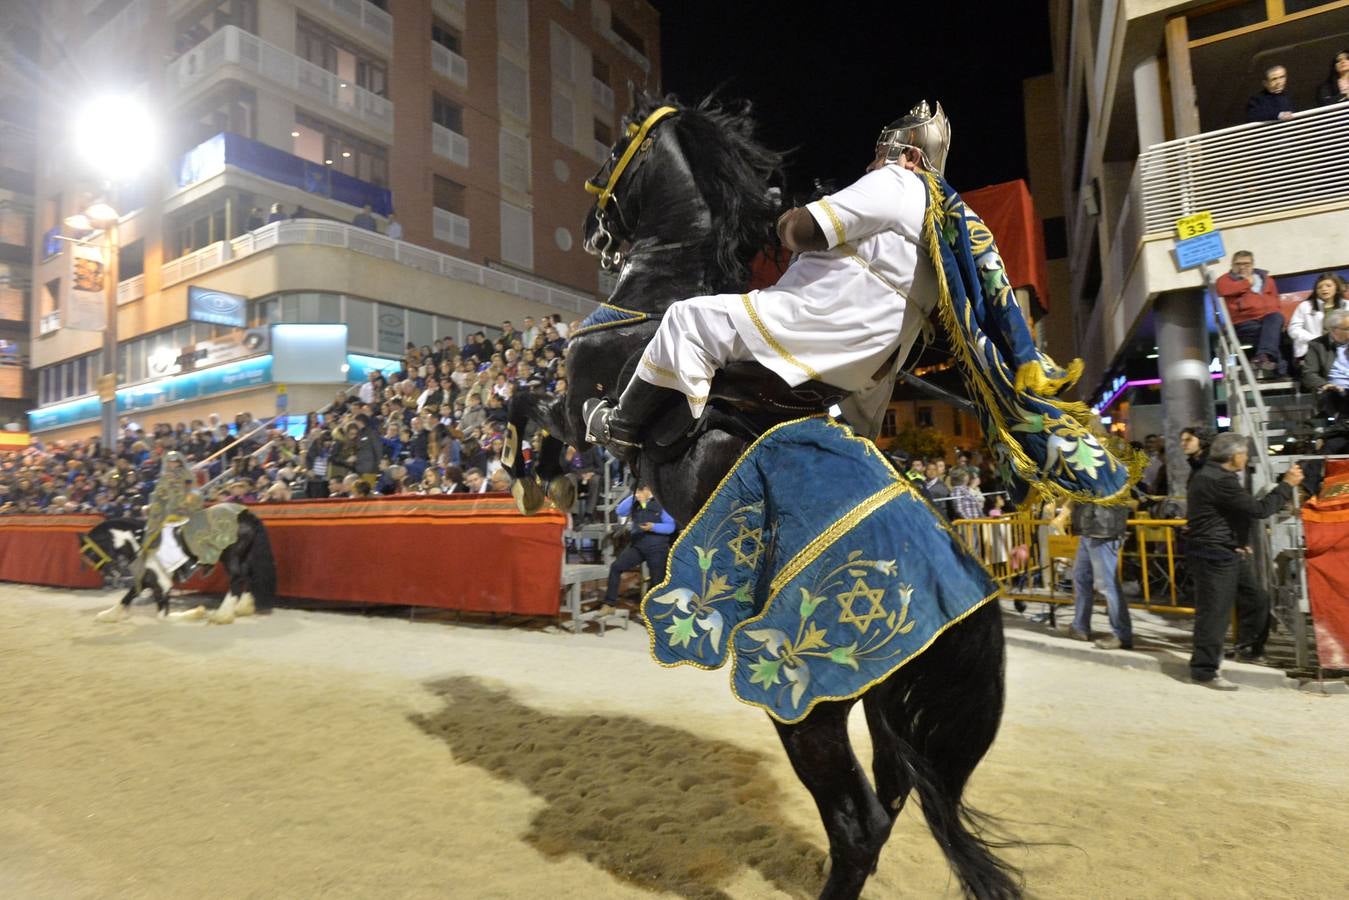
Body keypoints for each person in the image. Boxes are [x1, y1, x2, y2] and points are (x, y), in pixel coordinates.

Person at [584, 101, 951, 455]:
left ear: (912, 157)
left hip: (821, 329)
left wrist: (787, 218)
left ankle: (620, 427)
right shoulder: (937, 224)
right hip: (867, 372)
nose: (873, 163)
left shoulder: (898, 182)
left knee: (688, 320)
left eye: (882, 152)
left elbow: (805, 231)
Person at [1185, 432, 1303, 690]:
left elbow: (1225, 513)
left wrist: (1238, 537)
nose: (1246, 458)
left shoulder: (1212, 474)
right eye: (1245, 454)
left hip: (1228, 550)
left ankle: (1247, 650)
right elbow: (1259, 510)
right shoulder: (1218, 480)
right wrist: (1287, 485)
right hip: (1215, 554)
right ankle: (1204, 671)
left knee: (1256, 599)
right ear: (1235, 456)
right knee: (1214, 614)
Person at [1066, 498, 1132, 650]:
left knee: (1107, 586)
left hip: (1104, 529)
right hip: (1088, 528)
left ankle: (1122, 634)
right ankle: (1080, 627)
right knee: (1081, 578)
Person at [130, 451, 199, 590]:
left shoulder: (187, 476)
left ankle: (186, 566)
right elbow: (157, 496)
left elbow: (192, 492)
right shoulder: (164, 478)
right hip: (165, 513)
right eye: (169, 461)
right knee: (148, 533)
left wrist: (185, 505)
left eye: (174, 461)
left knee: (167, 532)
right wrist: (150, 506)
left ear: (180, 462)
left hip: (183, 512)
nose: (171, 464)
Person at [604, 484, 676, 610]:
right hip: (637, 545)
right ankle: (609, 604)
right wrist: (634, 497)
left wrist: (653, 527)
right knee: (616, 567)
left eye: (639, 492)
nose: (636, 495)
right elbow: (620, 511)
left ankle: (655, 614)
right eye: (635, 492)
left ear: (648, 490)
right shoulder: (635, 501)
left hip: (657, 547)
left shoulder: (661, 502)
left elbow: (670, 527)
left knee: (658, 581)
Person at [1215, 250, 1286, 377]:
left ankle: (1262, 356)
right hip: (1243, 322)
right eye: (1238, 264)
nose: (1242, 267)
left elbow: (1276, 300)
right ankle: (1280, 369)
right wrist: (1247, 282)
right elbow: (1222, 290)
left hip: (1268, 318)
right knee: (1271, 335)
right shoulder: (1225, 280)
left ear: (1253, 265)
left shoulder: (1267, 279)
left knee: (1277, 321)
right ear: (1232, 265)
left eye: (1246, 264)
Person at [1300, 308, 1349, 454]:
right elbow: (1309, 373)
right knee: (1338, 395)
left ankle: (1333, 436)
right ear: (1334, 330)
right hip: (1333, 391)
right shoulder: (1317, 345)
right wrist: (1325, 384)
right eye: (1347, 328)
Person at [1287, 273, 1348, 364]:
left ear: (1336, 288)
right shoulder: (1305, 306)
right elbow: (1293, 329)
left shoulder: (1347, 305)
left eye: (1328, 286)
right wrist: (1315, 340)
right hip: (1312, 349)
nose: (1324, 289)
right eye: (1320, 287)